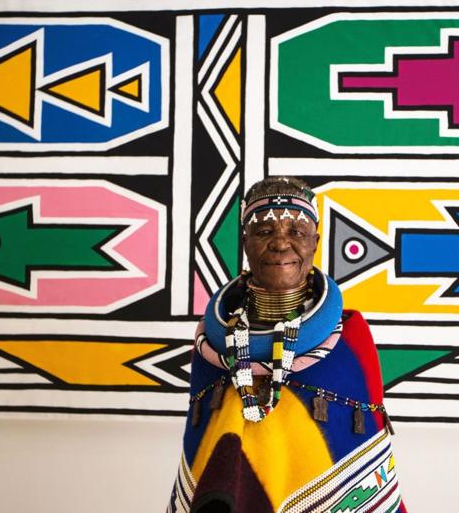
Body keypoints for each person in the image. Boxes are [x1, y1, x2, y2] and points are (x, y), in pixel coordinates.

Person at [168, 176, 406, 513]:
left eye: (296, 232)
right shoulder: (214, 342)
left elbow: (357, 445)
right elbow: (206, 446)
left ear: (315, 242)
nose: (281, 244)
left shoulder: (350, 340)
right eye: (264, 232)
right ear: (246, 241)